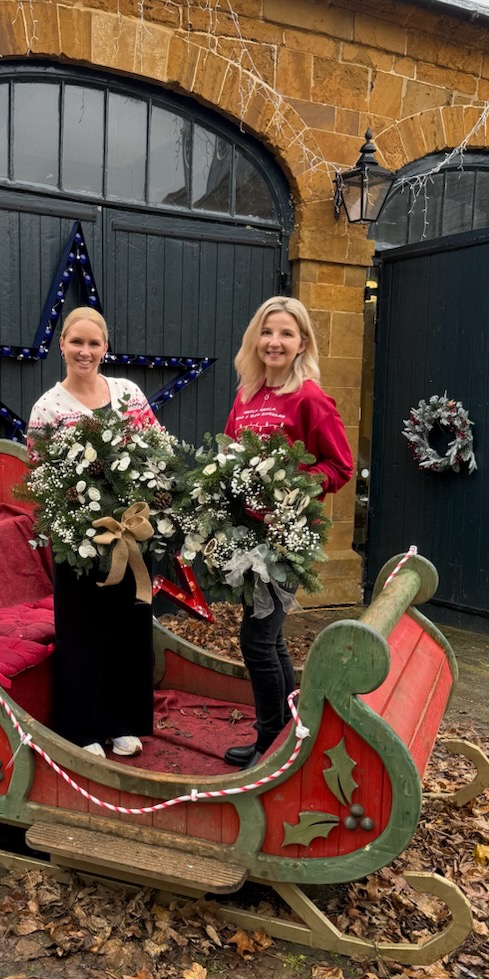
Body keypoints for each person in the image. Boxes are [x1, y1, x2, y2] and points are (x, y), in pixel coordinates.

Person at [221, 296, 354, 769]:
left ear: (301, 344)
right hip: (245, 537)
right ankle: (289, 733)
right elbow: (228, 459)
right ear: (256, 339)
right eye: (268, 332)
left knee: (257, 641)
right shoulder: (246, 395)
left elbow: (340, 465)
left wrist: (293, 488)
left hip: (287, 537)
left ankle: (269, 742)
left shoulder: (310, 397)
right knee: (271, 638)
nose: (275, 342)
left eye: (286, 334)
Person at [27, 306, 158, 759]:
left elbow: (154, 450)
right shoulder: (48, 407)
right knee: (83, 632)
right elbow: (39, 474)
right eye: (76, 342)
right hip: (80, 540)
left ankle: (122, 721)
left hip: (130, 534)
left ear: (105, 347)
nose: (85, 351)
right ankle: (83, 728)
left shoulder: (127, 393)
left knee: (128, 628)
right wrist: (76, 513)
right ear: (61, 344)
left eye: (93, 343)